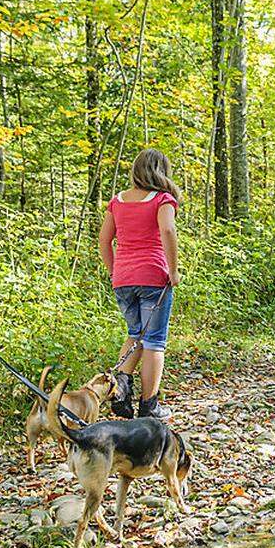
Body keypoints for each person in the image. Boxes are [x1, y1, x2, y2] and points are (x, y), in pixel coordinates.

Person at [99, 148, 182, 420]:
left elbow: (103, 241)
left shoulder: (117, 201)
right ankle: (150, 406)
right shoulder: (162, 200)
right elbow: (167, 231)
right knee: (154, 342)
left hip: (123, 279)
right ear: (161, 171)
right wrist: (173, 270)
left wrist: (115, 272)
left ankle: (121, 397)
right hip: (153, 277)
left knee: (135, 335)